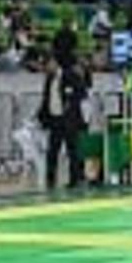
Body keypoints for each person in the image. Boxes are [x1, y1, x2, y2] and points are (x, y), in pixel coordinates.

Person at [38, 48, 90, 192]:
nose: (45, 69)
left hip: (69, 120)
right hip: (55, 120)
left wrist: (70, 99)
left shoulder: (70, 75)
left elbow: (82, 92)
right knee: (52, 151)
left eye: (47, 65)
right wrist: (42, 116)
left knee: (72, 150)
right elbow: (46, 99)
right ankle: (50, 180)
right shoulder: (49, 80)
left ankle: (75, 179)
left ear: (54, 63)